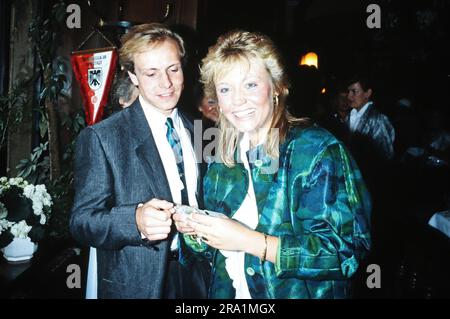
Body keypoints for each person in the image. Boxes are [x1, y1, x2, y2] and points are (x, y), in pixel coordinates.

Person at [174, 30, 371, 299]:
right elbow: (214, 252)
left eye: (250, 85)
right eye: (225, 89)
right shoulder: (223, 158)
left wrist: (249, 241)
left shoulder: (316, 151)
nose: (237, 100)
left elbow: (344, 253)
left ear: (277, 87)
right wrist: (196, 232)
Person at [70, 23, 210, 299]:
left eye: (173, 69)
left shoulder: (200, 131)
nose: (166, 83)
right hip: (137, 283)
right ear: (132, 76)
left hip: (198, 278)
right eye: (151, 73)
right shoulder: (103, 137)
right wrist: (134, 220)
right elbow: (81, 221)